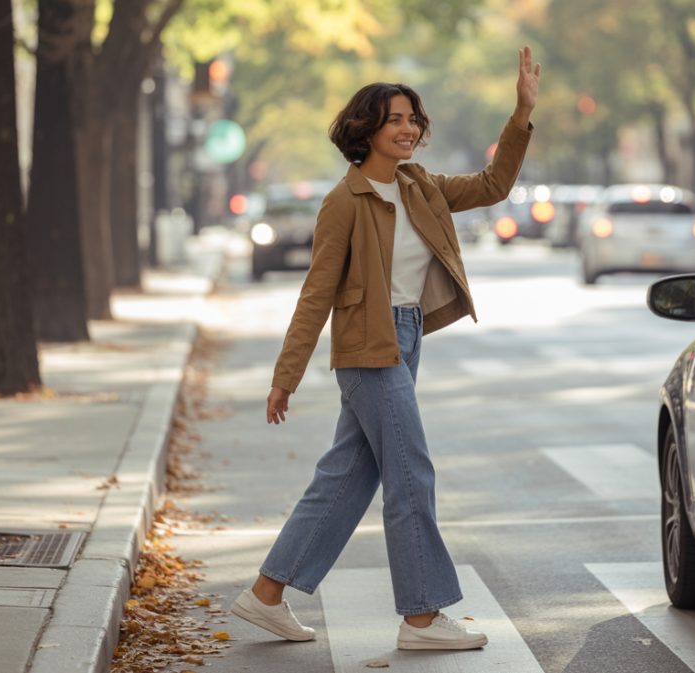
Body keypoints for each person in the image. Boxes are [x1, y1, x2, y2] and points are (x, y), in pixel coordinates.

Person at [230, 47, 541, 650]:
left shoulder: (419, 186)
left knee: (346, 477)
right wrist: (285, 376)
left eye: (412, 119)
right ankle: (421, 618)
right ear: (365, 129)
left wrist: (522, 111)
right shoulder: (344, 202)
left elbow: (494, 185)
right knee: (410, 473)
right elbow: (316, 293)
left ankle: (267, 595)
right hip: (369, 349)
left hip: (404, 337)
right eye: (395, 118)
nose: (407, 129)